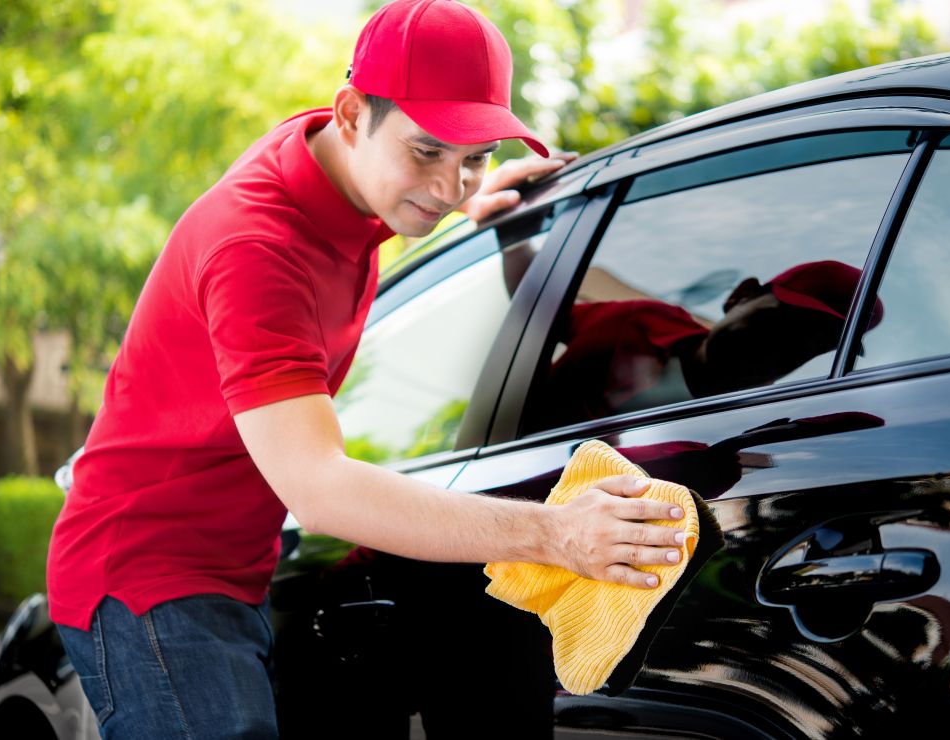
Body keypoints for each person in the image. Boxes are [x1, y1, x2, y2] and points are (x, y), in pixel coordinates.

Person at [45, 2, 687, 738]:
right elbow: (319, 490)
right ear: (351, 114)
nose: (448, 188)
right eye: (427, 154)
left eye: (471, 158)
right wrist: (558, 535)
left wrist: (483, 198)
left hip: (243, 570)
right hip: (150, 579)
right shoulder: (255, 247)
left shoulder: (348, 177)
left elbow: (424, 180)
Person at [528, 260, 885, 431]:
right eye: (784, 323)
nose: (789, 346)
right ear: (740, 296)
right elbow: (534, 310)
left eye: (816, 344)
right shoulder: (638, 321)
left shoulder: (740, 441)